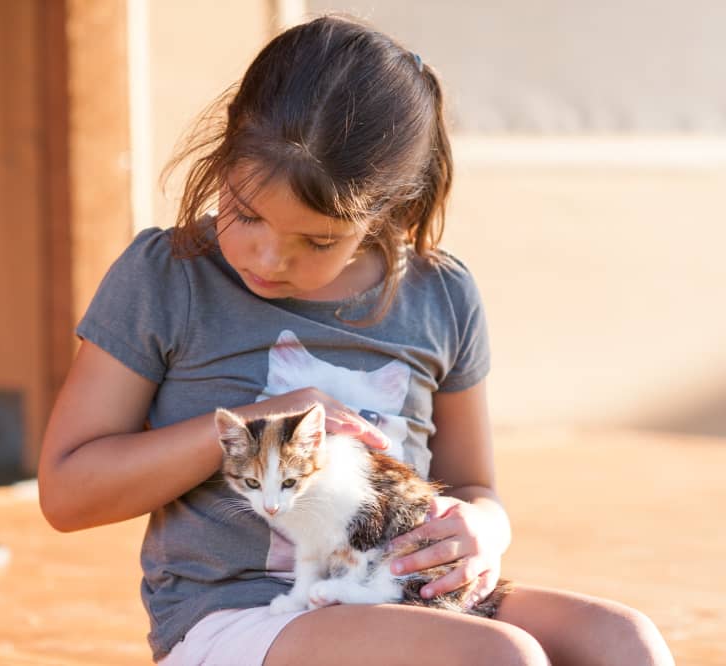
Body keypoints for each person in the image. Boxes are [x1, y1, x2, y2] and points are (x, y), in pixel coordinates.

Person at [38, 15, 674, 666]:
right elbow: (67, 493)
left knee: (622, 642)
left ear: (387, 212)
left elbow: (475, 485)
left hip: (410, 596)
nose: (268, 256)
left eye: (316, 241)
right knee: (497, 658)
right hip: (242, 616)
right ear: (224, 158)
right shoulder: (168, 276)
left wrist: (483, 530)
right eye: (245, 213)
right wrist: (258, 427)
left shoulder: (440, 293)